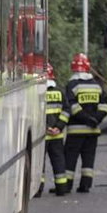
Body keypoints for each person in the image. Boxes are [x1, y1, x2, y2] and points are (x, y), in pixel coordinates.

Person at [64, 53, 107, 193]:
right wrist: (96, 119)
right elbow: (105, 105)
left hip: (76, 130)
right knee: (88, 158)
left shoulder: (71, 85)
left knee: (70, 158)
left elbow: (72, 106)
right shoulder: (97, 85)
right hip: (93, 131)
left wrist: (86, 119)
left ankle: (67, 185)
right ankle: (86, 185)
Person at [34, 63, 70, 197]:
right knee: (59, 161)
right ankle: (61, 188)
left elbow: (34, 113)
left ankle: (38, 189)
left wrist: (45, 128)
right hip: (57, 135)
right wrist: (58, 127)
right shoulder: (60, 92)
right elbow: (66, 111)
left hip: (42, 135)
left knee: (39, 163)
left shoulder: (37, 93)